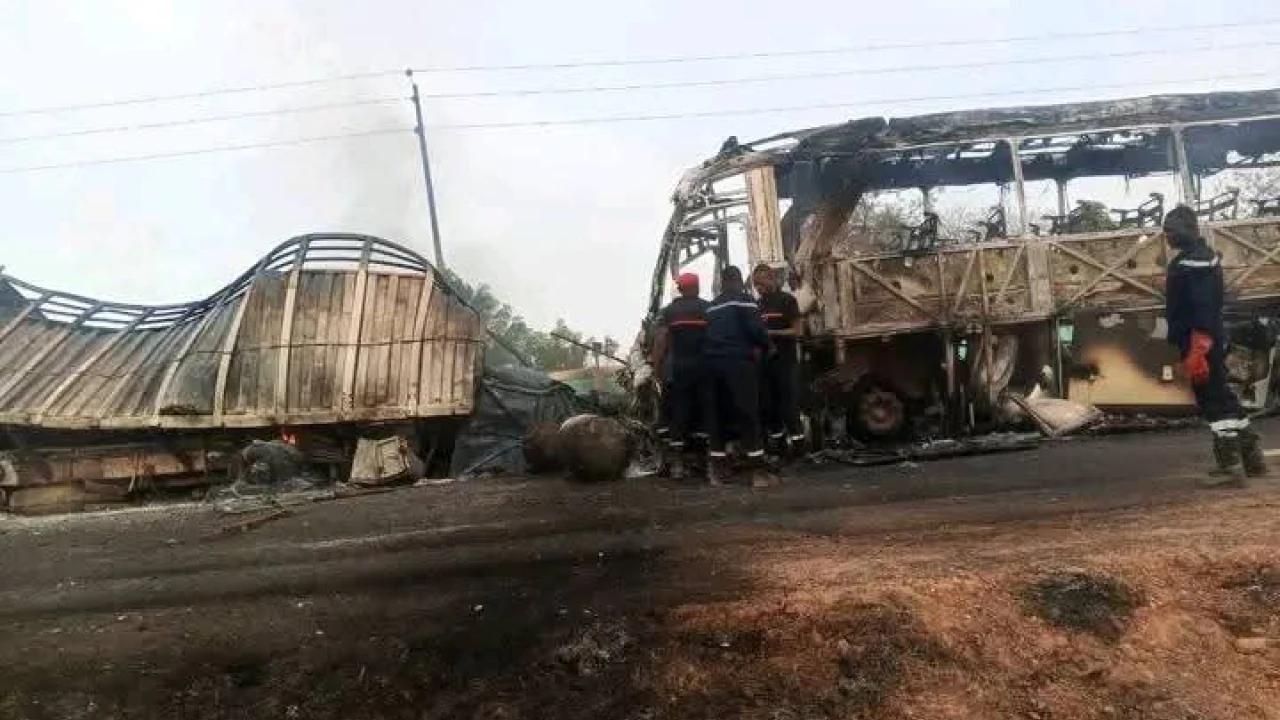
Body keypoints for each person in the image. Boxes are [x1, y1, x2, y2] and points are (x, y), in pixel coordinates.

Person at [1163, 205, 1267, 485]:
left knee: (1213, 401)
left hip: (1200, 340)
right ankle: (1253, 459)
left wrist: (1198, 347)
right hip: (1206, 337)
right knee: (1224, 395)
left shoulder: (1193, 263)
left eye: (1171, 231)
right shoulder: (1198, 258)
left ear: (1187, 230)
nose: (1167, 236)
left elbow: (1203, 307)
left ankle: (1230, 467)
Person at [704, 265, 775, 486]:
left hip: (713, 366)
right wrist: (769, 346)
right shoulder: (744, 300)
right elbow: (756, 330)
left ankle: (717, 472)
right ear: (737, 281)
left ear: (722, 282)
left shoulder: (711, 307)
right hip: (738, 363)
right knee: (748, 413)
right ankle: (758, 474)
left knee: (718, 417)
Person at [648, 273, 710, 479]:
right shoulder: (707, 308)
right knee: (701, 413)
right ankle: (700, 461)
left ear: (680, 289)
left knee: (678, 415)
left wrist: (656, 369)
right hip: (703, 369)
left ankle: (677, 464)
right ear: (697, 286)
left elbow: (661, 340)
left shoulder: (669, 312)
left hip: (677, 371)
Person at [752, 263, 806, 456]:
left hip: (786, 361)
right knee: (769, 407)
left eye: (761, 283)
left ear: (772, 279)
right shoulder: (757, 305)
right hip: (765, 364)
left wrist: (772, 333)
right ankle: (780, 447)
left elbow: (797, 330)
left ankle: (800, 448)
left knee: (788, 406)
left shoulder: (787, 301)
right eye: (755, 284)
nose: (759, 288)